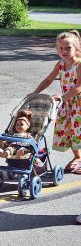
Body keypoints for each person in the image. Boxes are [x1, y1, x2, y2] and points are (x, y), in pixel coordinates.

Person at [31, 30, 81, 174]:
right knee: (70, 131)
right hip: (66, 104)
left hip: (78, 103)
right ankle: (77, 157)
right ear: (57, 49)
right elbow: (48, 79)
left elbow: (78, 88)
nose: (64, 51)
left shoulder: (79, 65)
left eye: (68, 48)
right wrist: (35, 92)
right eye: (61, 48)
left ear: (76, 48)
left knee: (78, 131)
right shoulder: (60, 64)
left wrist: (61, 97)